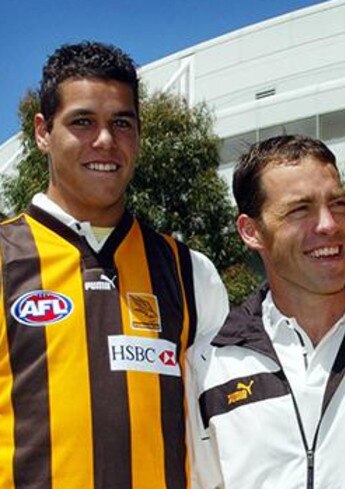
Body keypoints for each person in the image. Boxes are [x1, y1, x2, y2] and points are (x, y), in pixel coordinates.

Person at [0, 42, 228, 489]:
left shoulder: (190, 272)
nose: (105, 141)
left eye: (121, 123)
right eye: (83, 121)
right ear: (43, 132)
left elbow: (218, 434)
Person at [186, 135, 345, 488]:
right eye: (300, 209)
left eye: (337, 204)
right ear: (251, 231)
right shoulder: (208, 364)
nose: (329, 225)